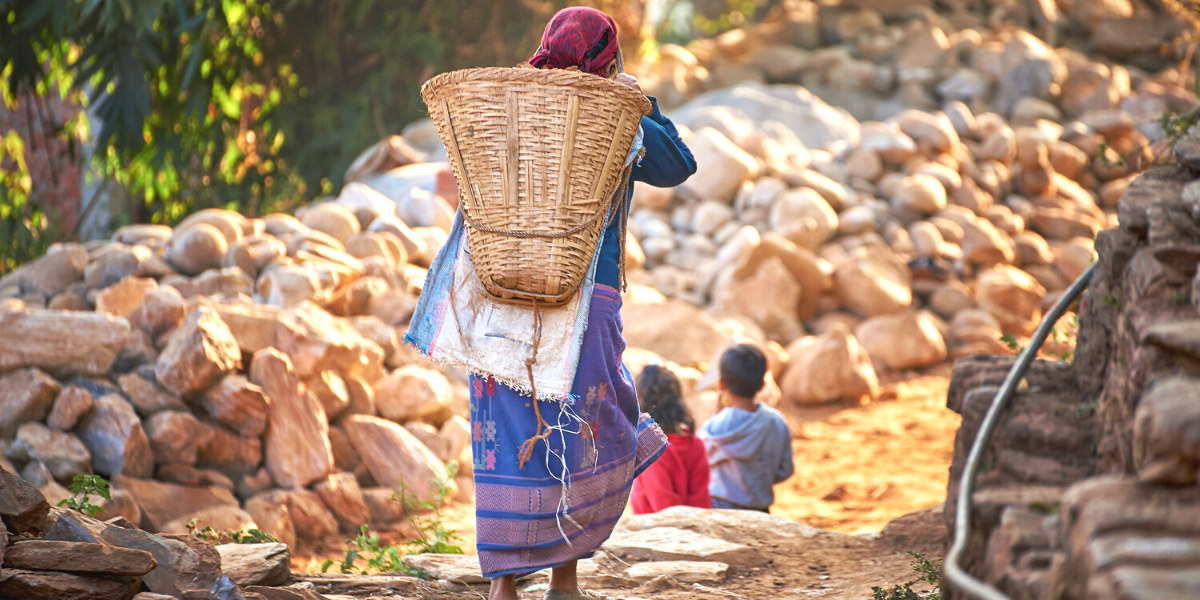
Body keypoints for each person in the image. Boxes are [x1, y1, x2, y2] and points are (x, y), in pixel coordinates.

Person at [469, 8, 697, 600]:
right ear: (608, 57)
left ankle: (504, 584)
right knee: (585, 427)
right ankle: (564, 580)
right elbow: (680, 165)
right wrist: (640, 100)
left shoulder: (508, 105)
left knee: (508, 430)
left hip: (502, 295)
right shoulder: (612, 117)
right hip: (583, 298)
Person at [698, 344, 795, 513]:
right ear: (763, 384)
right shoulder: (776, 422)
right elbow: (785, 470)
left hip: (719, 507)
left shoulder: (715, 426)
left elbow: (701, 460)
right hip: (759, 510)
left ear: (721, 384)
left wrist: (717, 416)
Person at [630, 365, 711, 514]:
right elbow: (701, 504)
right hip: (697, 531)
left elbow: (665, 511)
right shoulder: (696, 444)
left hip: (654, 534)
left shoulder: (651, 451)